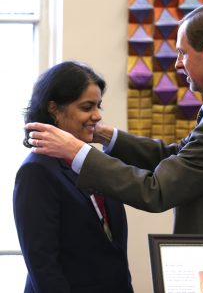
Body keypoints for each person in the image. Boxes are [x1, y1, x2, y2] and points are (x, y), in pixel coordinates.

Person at [25, 4, 203, 264]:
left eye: (182, 52)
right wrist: (108, 136)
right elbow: (175, 156)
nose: (178, 63)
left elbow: (155, 190)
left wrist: (78, 152)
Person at [14, 61, 134, 293]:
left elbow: (113, 251)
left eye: (99, 106)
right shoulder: (37, 170)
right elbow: (44, 266)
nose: (97, 115)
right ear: (54, 109)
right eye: (87, 107)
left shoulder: (93, 162)